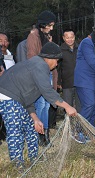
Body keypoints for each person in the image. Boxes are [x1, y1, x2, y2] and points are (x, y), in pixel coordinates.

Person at [0, 42, 77, 168]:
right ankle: (17, 165)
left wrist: (35, 119)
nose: (56, 64)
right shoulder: (40, 65)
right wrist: (67, 106)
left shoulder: (37, 65)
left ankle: (34, 158)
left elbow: (28, 96)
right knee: (16, 131)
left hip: (19, 98)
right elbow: (47, 91)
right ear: (49, 58)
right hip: (7, 96)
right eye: (56, 60)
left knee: (32, 127)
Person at [27, 10, 57, 145]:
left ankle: (45, 133)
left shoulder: (46, 36)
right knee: (40, 104)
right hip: (39, 74)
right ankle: (38, 135)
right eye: (50, 25)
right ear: (43, 24)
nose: (52, 28)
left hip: (47, 73)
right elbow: (32, 57)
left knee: (46, 105)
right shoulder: (33, 36)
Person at [57, 28, 80, 112]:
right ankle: (68, 124)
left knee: (80, 106)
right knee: (67, 106)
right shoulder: (60, 50)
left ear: (74, 37)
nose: (70, 40)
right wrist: (58, 82)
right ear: (63, 38)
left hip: (79, 82)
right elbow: (57, 67)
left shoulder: (80, 48)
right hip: (66, 82)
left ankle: (78, 124)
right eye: (67, 38)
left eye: (72, 37)